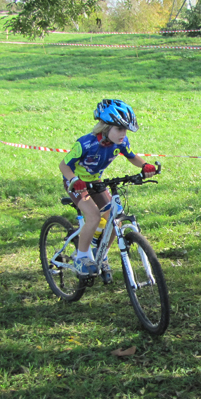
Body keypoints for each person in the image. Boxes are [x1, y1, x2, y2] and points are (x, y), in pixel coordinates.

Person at [59, 99, 158, 279]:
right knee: (94, 216)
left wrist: (145, 166)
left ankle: (101, 255)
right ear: (105, 128)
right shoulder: (85, 143)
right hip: (76, 182)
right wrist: (74, 179)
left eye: (125, 129)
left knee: (115, 217)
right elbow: (63, 166)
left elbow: (131, 156)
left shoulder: (120, 142)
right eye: (119, 129)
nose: (123, 133)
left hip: (96, 181)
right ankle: (81, 257)